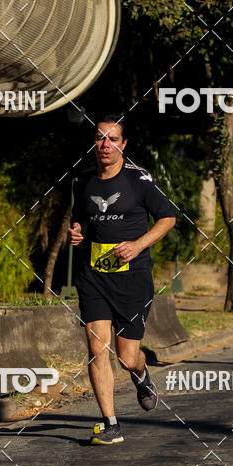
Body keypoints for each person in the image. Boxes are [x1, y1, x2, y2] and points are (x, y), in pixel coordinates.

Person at [68, 115, 176, 444]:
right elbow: (80, 222)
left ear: (123, 144)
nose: (106, 144)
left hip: (132, 278)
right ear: (94, 142)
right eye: (100, 138)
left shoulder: (138, 180)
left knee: (127, 358)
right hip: (93, 277)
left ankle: (141, 374)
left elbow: (167, 218)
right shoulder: (81, 182)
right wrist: (76, 234)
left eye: (113, 139)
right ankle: (110, 424)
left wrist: (138, 245)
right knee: (97, 347)